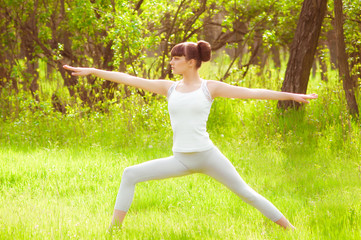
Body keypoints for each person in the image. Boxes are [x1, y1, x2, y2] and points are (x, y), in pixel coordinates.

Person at [63, 40, 317, 231]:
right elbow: (129, 79)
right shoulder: (169, 87)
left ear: (192, 62)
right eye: (171, 58)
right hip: (181, 159)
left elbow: (254, 92)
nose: (171, 62)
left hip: (207, 157)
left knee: (246, 193)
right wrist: (94, 71)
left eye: (176, 58)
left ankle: (291, 231)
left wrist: (292, 96)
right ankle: (113, 231)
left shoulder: (210, 88)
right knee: (130, 174)